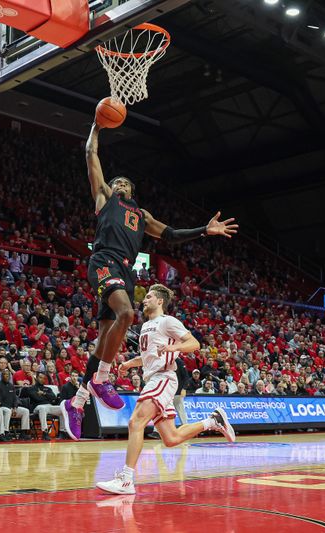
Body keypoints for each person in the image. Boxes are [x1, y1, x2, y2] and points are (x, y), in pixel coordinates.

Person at [61, 122, 239, 440]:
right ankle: (101, 380)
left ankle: (77, 402)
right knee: (127, 314)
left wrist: (204, 229)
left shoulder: (141, 215)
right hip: (104, 262)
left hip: (126, 272)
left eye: (126, 183)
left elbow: (170, 235)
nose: (121, 185)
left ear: (132, 191)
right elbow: (90, 153)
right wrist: (96, 128)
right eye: (118, 182)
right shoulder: (104, 198)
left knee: (105, 342)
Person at [95, 284, 235, 494]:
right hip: (154, 378)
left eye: (149, 297)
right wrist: (128, 364)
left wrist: (175, 347)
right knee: (171, 439)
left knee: (136, 422)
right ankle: (212, 421)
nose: (144, 300)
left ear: (160, 301)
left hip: (163, 378)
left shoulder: (167, 321)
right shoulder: (146, 326)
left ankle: (126, 479)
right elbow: (147, 357)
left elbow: (194, 343)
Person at [0, 369, 31, 440]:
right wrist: (10, 408)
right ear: (2, 376)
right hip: (2, 408)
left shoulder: (11, 386)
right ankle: (5, 432)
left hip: (12, 408)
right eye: (5, 375)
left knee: (25, 411)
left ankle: (23, 432)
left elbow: (15, 398)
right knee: (7, 411)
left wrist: (15, 407)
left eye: (8, 375)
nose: (6, 376)